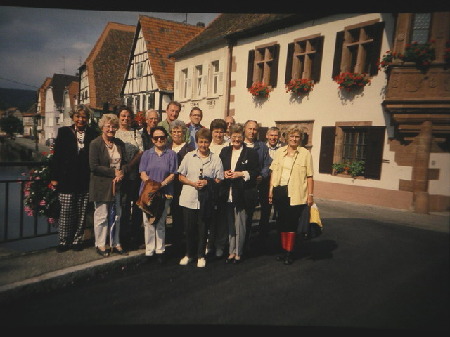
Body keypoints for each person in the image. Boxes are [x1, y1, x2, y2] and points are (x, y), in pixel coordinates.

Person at [50, 104, 98, 252]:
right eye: (78, 116)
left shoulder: (92, 133)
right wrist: (54, 177)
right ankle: (64, 241)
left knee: (81, 212)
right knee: (66, 211)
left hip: (84, 179)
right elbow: (57, 156)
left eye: (84, 117)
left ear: (87, 119)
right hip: (66, 179)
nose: (81, 119)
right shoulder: (64, 132)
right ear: (73, 117)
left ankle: (77, 240)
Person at [178, 128, 224, 268]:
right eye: (201, 142)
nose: (203, 145)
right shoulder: (189, 156)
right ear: (197, 142)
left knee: (203, 228)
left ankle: (201, 255)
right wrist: (192, 183)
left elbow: (220, 178)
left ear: (210, 142)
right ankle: (189, 254)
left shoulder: (215, 158)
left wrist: (207, 182)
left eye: (206, 142)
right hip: (189, 198)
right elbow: (180, 176)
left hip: (206, 199)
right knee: (189, 228)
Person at [268, 126, 314, 265]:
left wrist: (310, 195)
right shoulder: (280, 152)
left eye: (297, 137)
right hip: (280, 191)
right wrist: (270, 191)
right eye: (292, 136)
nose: (294, 139)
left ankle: (289, 252)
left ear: (300, 139)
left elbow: (310, 176)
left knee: (291, 224)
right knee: (281, 223)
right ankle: (283, 251)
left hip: (295, 193)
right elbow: (274, 172)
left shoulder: (305, 154)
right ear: (287, 137)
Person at [89, 114, 130, 257]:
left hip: (117, 185)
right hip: (101, 185)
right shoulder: (95, 144)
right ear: (102, 127)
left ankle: (115, 243)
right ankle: (100, 244)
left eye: (113, 126)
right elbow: (94, 166)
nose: (111, 129)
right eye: (108, 126)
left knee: (117, 215)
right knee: (102, 215)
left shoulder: (119, 143)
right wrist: (114, 173)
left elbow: (124, 163)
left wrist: (121, 173)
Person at [219, 123, 259, 264]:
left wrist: (240, 173)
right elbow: (218, 169)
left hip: (242, 193)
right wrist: (224, 173)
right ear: (230, 137)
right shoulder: (224, 151)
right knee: (230, 224)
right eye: (234, 136)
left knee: (240, 224)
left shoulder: (251, 152)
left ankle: (238, 252)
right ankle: (231, 251)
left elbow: (255, 172)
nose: (236, 139)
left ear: (243, 137)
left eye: (239, 136)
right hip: (227, 193)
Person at [139, 126, 178, 264]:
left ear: (166, 138)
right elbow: (142, 172)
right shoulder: (146, 154)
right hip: (148, 193)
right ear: (152, 140)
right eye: (156, 138)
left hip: (164, 193)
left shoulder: (171, 154)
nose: (159, 140)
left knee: (160, 222)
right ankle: (149, 251)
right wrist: (151, 185)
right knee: (148, 222)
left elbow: (173, 173)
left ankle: (160, 250)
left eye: (162, 137)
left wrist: (161, 185)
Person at [114, 105, 144, 250]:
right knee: (123, 207)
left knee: (136, 206)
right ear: (118, 117)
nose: (126, 118)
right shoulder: (114, 133)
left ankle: (135, 236)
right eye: (123, 116)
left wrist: (130, 166)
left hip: (134, 174)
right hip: (120, 176)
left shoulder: (135, 133)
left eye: (128, 116)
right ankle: (123, 237)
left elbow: (140, 152)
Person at [242, 120, 272, 252]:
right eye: (250, 128)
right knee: (240, 215)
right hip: (241, 185)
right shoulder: (238, 144)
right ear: (245, 129)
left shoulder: (262, 147)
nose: (252, 132)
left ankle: (249, 242)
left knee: (252, 215)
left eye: (255, 129)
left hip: (256, 185)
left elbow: (267, 164)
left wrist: (263, 175)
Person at [167, 119, 195, 251]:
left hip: (183, 185)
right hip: (167, 184)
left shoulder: (189, 149)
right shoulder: (166, 146)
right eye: (174, 131)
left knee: (181, 214)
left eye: (180, 131)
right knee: (171, 212)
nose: (177, 134)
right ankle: (173, 239)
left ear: (184, 133)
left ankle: (182, 242)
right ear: (170, 133)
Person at [206, 118, 229, 258]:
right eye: (216, 132)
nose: (218, 135)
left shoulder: (229, 146)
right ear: (211, 132)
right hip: (210, 186)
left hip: (224, 187)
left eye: (221, 132)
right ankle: (209, 245)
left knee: (222, 218)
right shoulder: (208, 146)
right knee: (209, 218)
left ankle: (220, 245)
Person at [263, 126, 285, 228]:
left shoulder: (284, 149)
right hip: (265, 182)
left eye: (276, 135)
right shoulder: (262, 147)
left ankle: (279, 232)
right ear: (267, 136)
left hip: (279, 181)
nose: (273, 138)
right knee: (265, 209)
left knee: (280, 209)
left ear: (279, 137)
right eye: (271, 135)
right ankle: (263, 232)